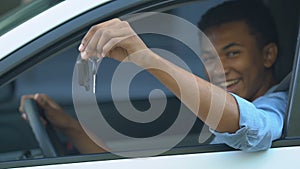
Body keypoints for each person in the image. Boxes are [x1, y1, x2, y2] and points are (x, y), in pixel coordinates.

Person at [19, 0, 288, 153]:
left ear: (268, 55)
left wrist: (145, 58)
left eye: (232, 53)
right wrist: (68, 126)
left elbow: (252, 128)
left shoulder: (280, 107)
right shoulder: (221, 116)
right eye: (209, 58)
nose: (219, 68)